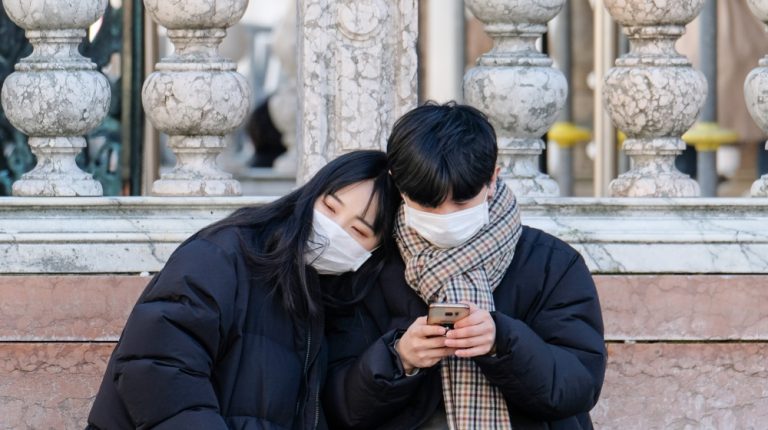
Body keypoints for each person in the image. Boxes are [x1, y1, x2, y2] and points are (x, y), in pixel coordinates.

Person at [323, 103, 606, 429]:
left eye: (461, 202)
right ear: (397, 183)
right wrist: (399, 358)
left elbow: (579, 386)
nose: (445, 217)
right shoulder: (368, 263)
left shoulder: (552, 263)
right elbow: (336, 403)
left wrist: (502, 342)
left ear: (492, 178)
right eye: (427, 203)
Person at [87, 150, 400, 429]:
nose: (334, 229)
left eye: (357, 230)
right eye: (330, 207)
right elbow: (158, 367)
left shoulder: (332, 295)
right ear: (310, 194)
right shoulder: (223, 254)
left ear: (374, 253)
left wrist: (400, 358)